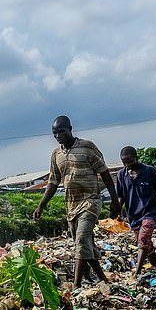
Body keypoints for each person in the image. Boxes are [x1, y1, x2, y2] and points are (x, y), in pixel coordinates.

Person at [33, 116, 119, 288]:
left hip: (90, 201)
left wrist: (115, 200)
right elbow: (53, 182)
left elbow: (104, 173)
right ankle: (103, 278)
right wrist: (41, 205)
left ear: (70, 129)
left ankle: (76, 285)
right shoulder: (56, 154)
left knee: (81, 239)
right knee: (85, 242)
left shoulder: (87, 147)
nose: (58, 135)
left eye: (61, 131)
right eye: (54, 133)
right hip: (71, 205)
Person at [115, 146, 156, 276]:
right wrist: (118, 211)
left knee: (144, 238)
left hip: (150, 211)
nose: (127, 164)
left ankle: (138, 272)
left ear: (136, 158)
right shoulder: (121, 175)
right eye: (124, 162)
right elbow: (120, 196)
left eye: (130, 161)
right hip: (133, 214)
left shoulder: (149, 171)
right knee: (145, 243)